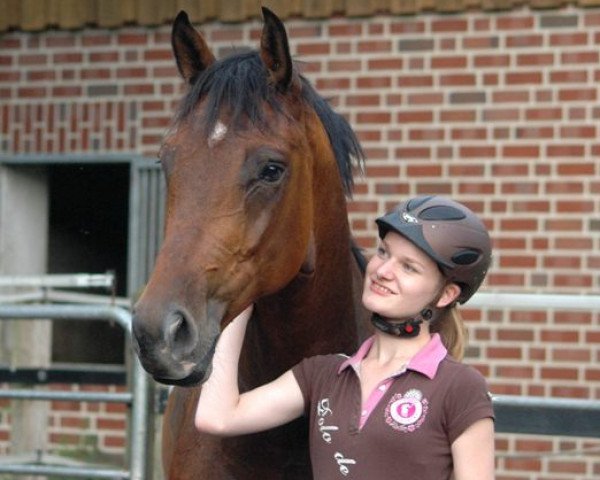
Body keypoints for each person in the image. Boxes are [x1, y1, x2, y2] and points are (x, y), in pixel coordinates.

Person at [195, 195, 495, 479]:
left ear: (446, 294)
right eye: (383, 253)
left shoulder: (460, 388)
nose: (383, 271)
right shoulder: (323, 375)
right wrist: (239, 301)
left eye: (408, 267)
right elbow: (216, 416)